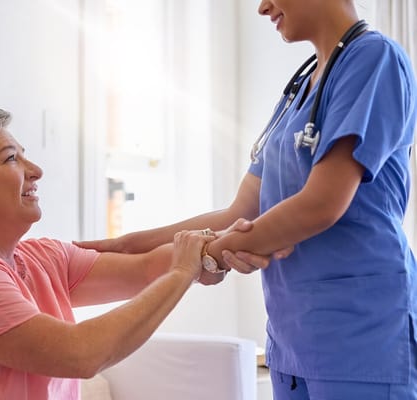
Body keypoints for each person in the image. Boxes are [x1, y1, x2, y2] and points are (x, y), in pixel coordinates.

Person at [76, 1, 417, 398]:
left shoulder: (374, 59)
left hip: (362, 334)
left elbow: (321, 204)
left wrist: (205, 256)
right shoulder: (299, 90)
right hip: (292, 340)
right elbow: (241, 212)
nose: (262, 7)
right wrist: (125, 245)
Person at [0, 107, 269, 399]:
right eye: (11, 159)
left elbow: (146, 268)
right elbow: (83, 354)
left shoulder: (41, 258)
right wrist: (186, 269)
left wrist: (230, 245)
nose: (35, 171)